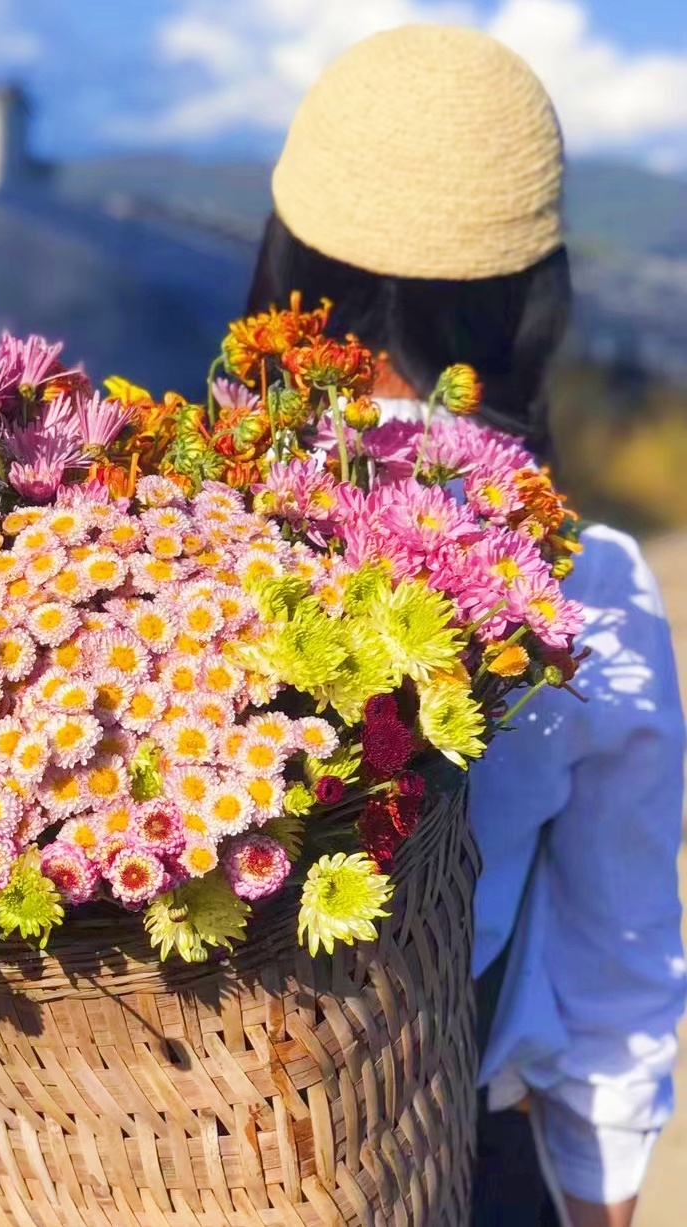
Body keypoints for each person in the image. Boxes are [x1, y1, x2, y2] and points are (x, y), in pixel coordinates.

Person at [247, 25, 686, 1227]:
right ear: (533, 301)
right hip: (446, 1163)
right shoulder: (581, 584)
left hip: (179, 1158)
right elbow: (618, 961)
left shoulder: (172, 532)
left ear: (282, 260)